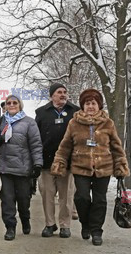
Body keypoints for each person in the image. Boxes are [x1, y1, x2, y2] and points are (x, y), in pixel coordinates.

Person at [51, 88, 129, 246]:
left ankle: (96, 231)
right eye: (87, 103)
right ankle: (85, 223)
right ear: (83, 106)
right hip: (81, 167)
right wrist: (59, 162)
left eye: (93, 103)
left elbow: (116, 146)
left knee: (100, 200)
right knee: (82, 197)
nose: (91, 106)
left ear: (99, 105)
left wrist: (120, 165)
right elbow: (65, 146)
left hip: (104, 167)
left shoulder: (108, 123)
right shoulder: (74, 123)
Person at [0, 95, 43, 241]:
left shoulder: (29, 123)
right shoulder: (0, 121)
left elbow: (36, 145)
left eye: (15, 102)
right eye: (9, 103)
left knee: (23, 199)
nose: (12, 105)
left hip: (23, 168)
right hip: (4, 167)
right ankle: (10, 227)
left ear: (20, 105)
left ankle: (25, 219)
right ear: (5, 106)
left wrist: (37, 164)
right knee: (7, 199)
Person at [35, 83, 80, 238]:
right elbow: (36, 138)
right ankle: (49, 224)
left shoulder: (75, 111)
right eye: (59, 92)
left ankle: (65, 225)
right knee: (47, 194)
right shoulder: (41, 113)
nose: (62, 94)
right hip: (47, 161)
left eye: (64, 92)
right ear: (52, 95)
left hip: (67, 162)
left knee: (66, 196)